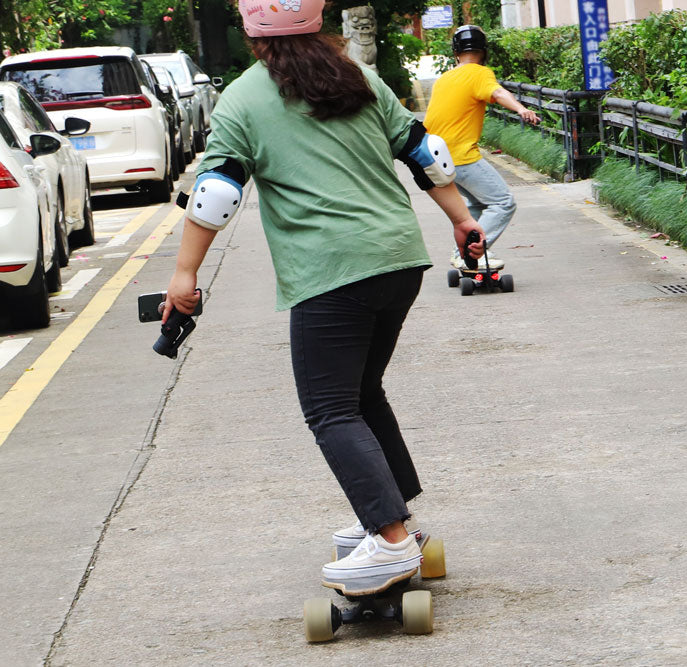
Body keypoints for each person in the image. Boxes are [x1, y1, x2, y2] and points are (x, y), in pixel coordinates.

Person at [162, 0, 485, 586]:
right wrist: (462, 220)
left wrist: (185, 275)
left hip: (331, 270)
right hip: (398, 260)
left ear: (249, 28)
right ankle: (397, 524)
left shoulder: (243, 98)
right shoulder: (357, 76)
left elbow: (214, 193)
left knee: (331, 409)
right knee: (361, 394)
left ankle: (390, 543)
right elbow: (425, 152)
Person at [423, 24, 539, 270]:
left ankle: (460, 253)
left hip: (435, 156)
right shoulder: (479, 73)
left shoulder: (444, 79)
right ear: (483, 51)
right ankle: (471, 253)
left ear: (456, 52)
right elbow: (497, 93)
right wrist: (521, 108)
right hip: (461, 156)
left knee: (477, 204)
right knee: (503, 202)